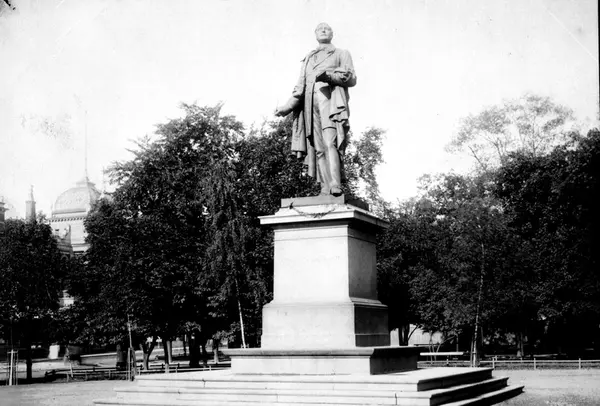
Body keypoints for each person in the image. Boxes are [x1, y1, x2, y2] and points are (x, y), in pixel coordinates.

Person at [275, 23, 356, 196]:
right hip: (310, 107)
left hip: (330, 104)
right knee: (318, 149)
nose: (323, 30)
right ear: (315, 34)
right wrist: (286, 108)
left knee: (330, 143)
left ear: (332, 34)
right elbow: (300, 88)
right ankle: (325, 187)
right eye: (320, 29)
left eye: (327, 29)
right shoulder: (309, 58)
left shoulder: (341, 53)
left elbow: (351, 78)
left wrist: (329, 76)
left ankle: (335, 184)